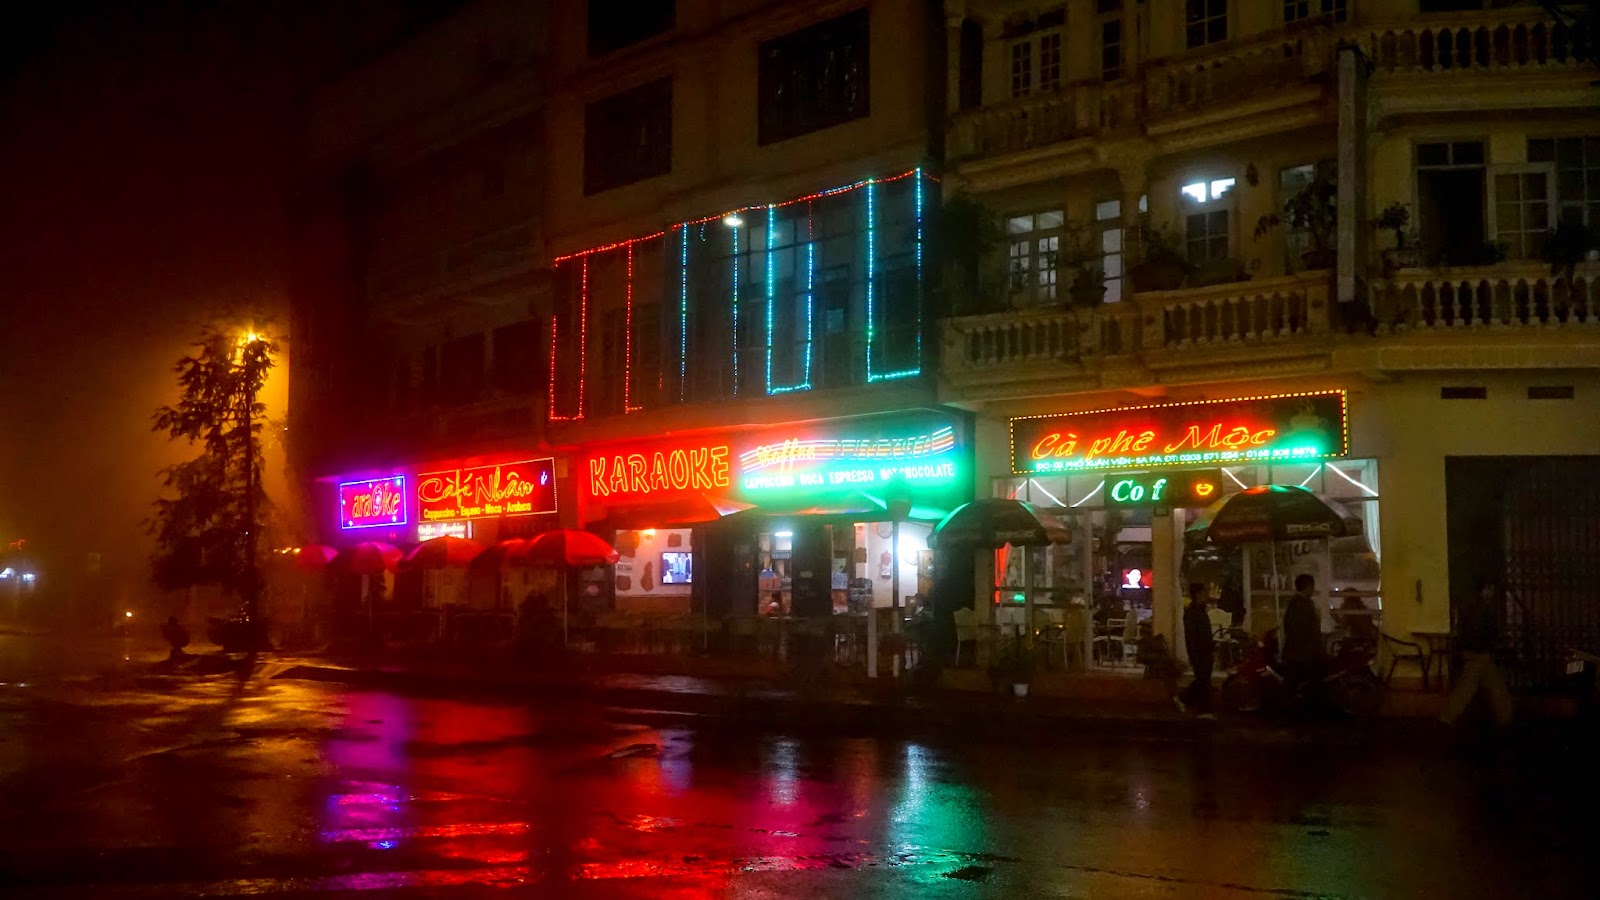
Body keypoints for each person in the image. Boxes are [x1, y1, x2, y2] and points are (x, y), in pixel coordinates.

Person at [1441, 578, 1514, 730]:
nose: (1493, 592)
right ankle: (1447, 717)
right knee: (1475, 687)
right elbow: (1483, 631)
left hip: (1475, 652)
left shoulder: (1471, 606)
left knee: (1486, 686)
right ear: (1485, 590)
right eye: (1491, 589)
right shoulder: (1483, 608)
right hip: (1479, 652)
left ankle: (1505, 718)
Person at [1281, 573, 1325, 697]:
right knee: (1299, 682)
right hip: (1300, 653)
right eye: (1312, 587)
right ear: (1308, 586)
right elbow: (1302, 630)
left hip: (1298, 652)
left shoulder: (1299, 603)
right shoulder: (1300, 605)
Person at [1177, 583, 1216, 717]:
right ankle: (1203, 709)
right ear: (1198, 594)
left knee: (1202, 679)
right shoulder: (1193, 611)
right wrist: (1195, 651)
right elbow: (1193, 634)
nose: (1207, 595)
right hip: (1200, 651)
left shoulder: (1199, 610)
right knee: (1203, 679)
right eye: (1204, 592)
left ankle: (1185, 699)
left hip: (1204, 649)